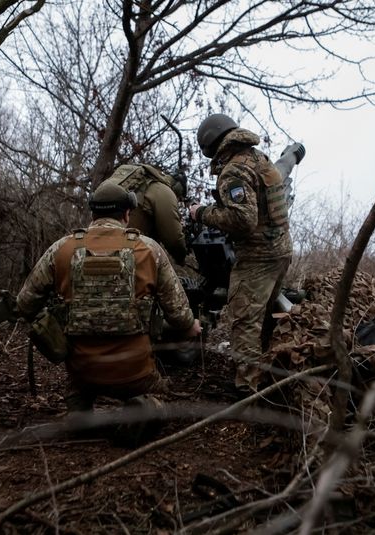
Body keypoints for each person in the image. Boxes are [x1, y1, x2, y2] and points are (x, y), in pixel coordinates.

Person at [17, 181, 201, 412]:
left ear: (93, 213)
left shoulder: (61, 249)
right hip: (136, 373)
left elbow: (24, 304)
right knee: (158, 392)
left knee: (78, 386)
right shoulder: (149, 249)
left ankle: (80, 406)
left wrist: (51, 324)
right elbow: (179, 314)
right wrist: (190, 326)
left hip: (82, 371)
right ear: (126, 214)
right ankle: (144, 404)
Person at [189, 114, 303, 390]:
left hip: (257, 257)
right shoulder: (258, 159)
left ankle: (249, 389)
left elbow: (243, 220)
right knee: (263, 317)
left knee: (243, 322)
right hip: (280, 251)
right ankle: (270, 374)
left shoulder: (234, 170)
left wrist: (201, 212)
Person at [100, 164, 188, 266]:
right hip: (131, 254)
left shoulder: (142, 184)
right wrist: (181, 258)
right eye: (180, 199)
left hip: (98, 244)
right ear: (178, 189)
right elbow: (173, 239)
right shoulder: (164, 191)